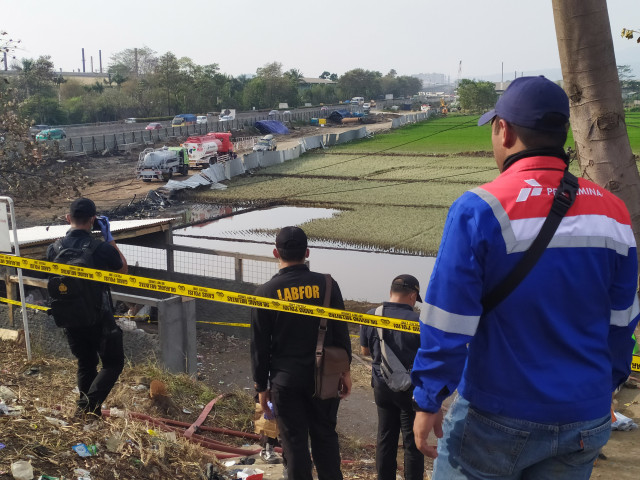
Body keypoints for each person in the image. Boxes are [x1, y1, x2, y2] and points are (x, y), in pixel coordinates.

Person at [411, 76, 640, 479]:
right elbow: (622, 321)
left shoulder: (480, 209)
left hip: (498, 415)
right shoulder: (613, 211)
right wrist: (606, 386)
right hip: (584, 416)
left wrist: (429, 399)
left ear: (505, 130)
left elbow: (448, 321)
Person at [251, 226, 352, 480]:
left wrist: (261, 388)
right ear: (307, 252)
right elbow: (341, 332)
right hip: (325, 378)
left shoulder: (264, 293)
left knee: (294, 445)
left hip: (286, 382)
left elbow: (259, 346)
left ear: (276, 253)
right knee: (326, 438)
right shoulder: (328, 285)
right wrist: (345, 371)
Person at [47, 197, 128, 417]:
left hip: (69, 316)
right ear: (93, 220)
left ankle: (90, 413)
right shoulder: (100, 248)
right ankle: (86, 408)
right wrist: (109, 238)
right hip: (99, 318)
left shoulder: (53, 249)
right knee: (113, 363)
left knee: (86, 362)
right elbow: (122, 270)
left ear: (67, 218)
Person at [360, 274, 424, 480]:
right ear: (413, 295)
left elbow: (364, 351)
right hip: (410, 389)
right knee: (412, 443)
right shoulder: (419, 321)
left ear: (391, 292)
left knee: (385, 438)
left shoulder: (371, 314)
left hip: (381, 386)